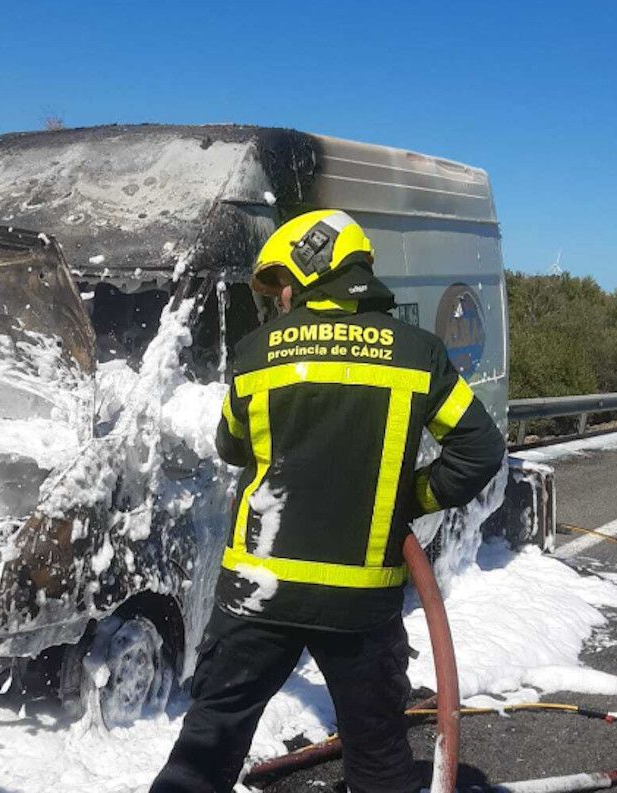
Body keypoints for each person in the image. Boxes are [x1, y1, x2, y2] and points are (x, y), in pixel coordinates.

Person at [151, 210, 506, 793]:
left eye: (282, 283)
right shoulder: (418, 353)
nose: (281, 296)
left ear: (310, 271)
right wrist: (408, 497)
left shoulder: (256, 352)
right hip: (359, 602)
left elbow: (232, 447)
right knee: (378, 756)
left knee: (206, 748)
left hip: (258, 593)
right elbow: (479, 450)